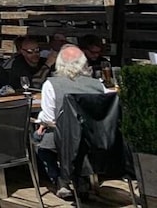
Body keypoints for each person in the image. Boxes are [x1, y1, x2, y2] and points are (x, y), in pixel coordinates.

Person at [34, 45, 106, 200]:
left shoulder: (51, 84)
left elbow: (49, 118)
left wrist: (41, 124)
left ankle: (61, 180)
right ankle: (82, 180)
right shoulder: (98, 85)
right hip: (93, 137)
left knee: (41, 144)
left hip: (66, 139)